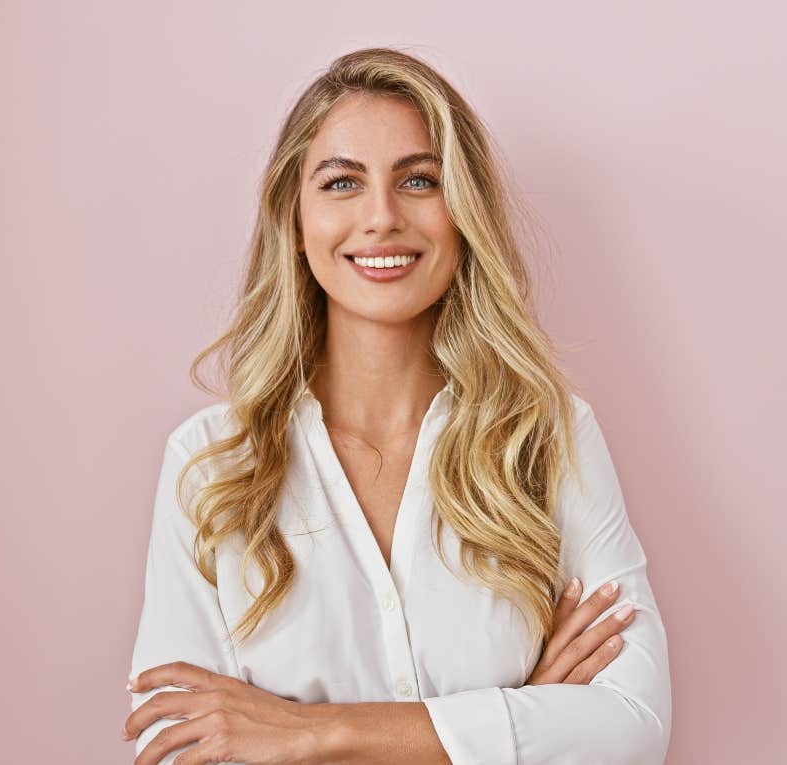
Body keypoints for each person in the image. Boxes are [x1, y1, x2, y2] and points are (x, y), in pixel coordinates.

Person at [121, 47, 672, 765]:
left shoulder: (549, 436)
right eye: (342, 182)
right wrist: (515, 721)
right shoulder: (210, 464)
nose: (380, 217)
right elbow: (175, 747)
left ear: (463, 210)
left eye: (419, 180)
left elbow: (630, 726)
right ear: (295, 216)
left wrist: (312, 732)